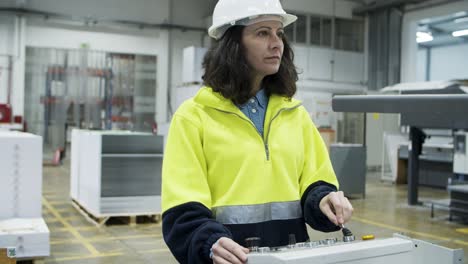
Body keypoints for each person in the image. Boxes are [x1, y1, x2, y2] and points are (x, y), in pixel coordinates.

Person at [161, 0, 353, 263]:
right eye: (263, 33)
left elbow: (315, 183)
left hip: (292, 257)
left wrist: (324, 201)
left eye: (279, 33)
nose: (277, 43)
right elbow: (182, 210)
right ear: (233, 43)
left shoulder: (295, 115)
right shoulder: (193, 117)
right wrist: (209, 242)